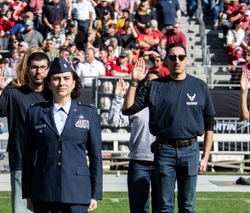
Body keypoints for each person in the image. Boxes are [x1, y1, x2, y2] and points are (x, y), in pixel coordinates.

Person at [122, 43, 216, 213]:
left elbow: (209, 122)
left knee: (188, 206)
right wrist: (134, 82)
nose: (177, 61)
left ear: (187, 60)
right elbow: (128, 109)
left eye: (180, 57)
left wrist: (205, 156)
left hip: (191, 150)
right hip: (164, 150)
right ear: (166, 61)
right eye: (172, 57)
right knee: (165, 207)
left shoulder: (199, 86)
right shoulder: (154, 86)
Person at [22, 57, 102, 213]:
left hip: (77, 192)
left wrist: (95, 193)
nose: (61, 83)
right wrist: (28, 193)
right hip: (44, 191)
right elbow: (28, 156)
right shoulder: (35, 112)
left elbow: (95, 156)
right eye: (56, 79)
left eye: (66, 78)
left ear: (74, 83)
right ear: (49, 84)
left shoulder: (88, 113)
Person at [0, 52, 50, 213]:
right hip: (22, 163)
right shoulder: (14, 94)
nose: (39, 72)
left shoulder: (57, 96)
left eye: (43, 67)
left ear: (49, 70)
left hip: (51, 164)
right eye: (34, 67)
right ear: (28, 69)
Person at [108, 72, 162, 213]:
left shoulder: (167, 104)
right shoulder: (136, 104)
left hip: (163, 160)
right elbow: (115, 121)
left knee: (162, 207)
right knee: (138, 208)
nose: (151, 85)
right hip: (138, 161)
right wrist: (118, 97)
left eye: (155, 82)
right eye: (148, 82)